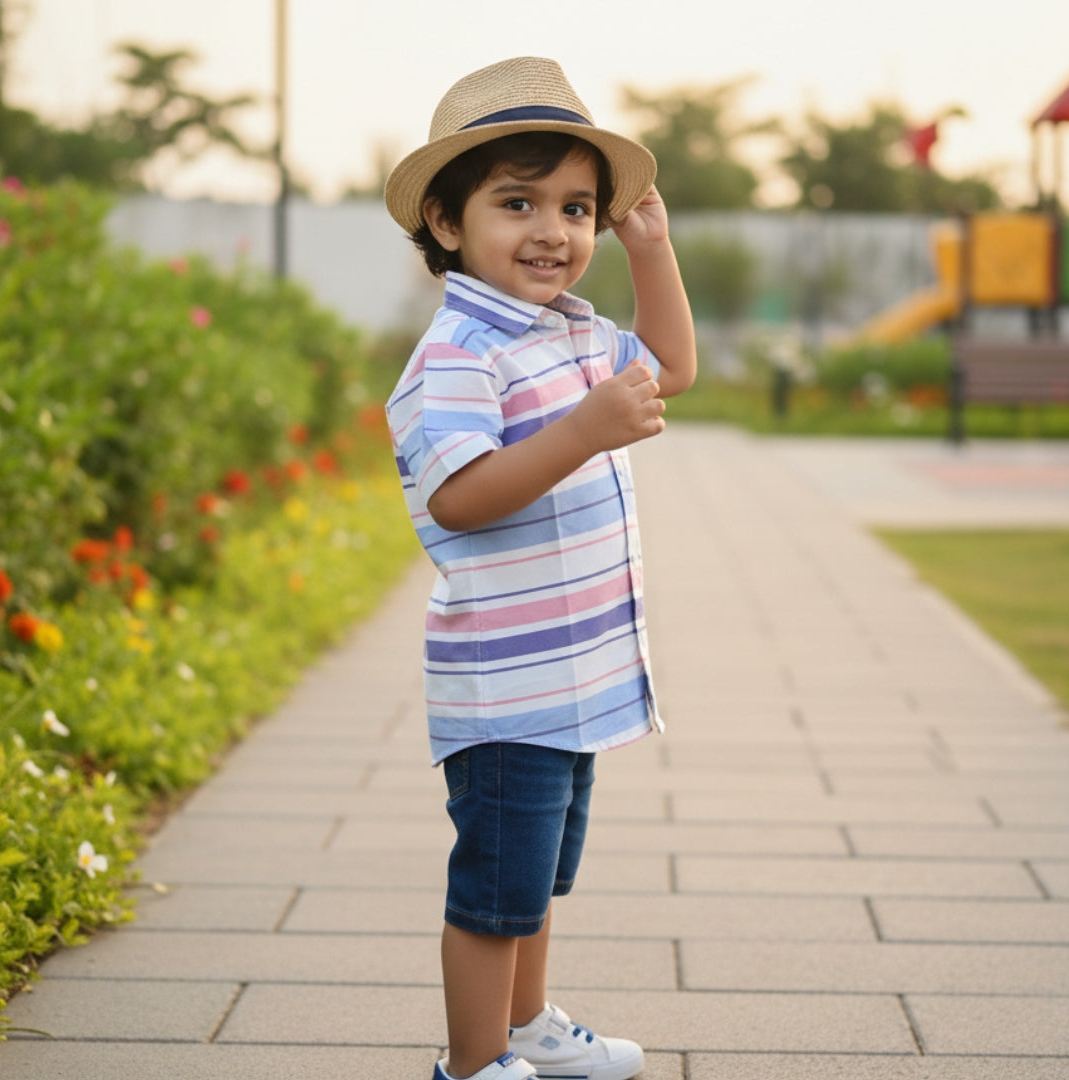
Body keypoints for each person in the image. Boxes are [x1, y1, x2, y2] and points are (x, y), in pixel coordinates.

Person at [383, 56, 696, 1080]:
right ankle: (473, 1065)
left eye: (576, 208)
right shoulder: (459, 352)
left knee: (534, 885)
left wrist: (653, 254)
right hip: (509, 691)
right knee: (492, 898)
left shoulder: (569, 329)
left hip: (574, 683)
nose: (553, 231)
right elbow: (461, 495)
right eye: (517, 203)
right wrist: (584, 432)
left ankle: (527, 1035)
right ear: (445, 221)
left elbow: (672, 373)